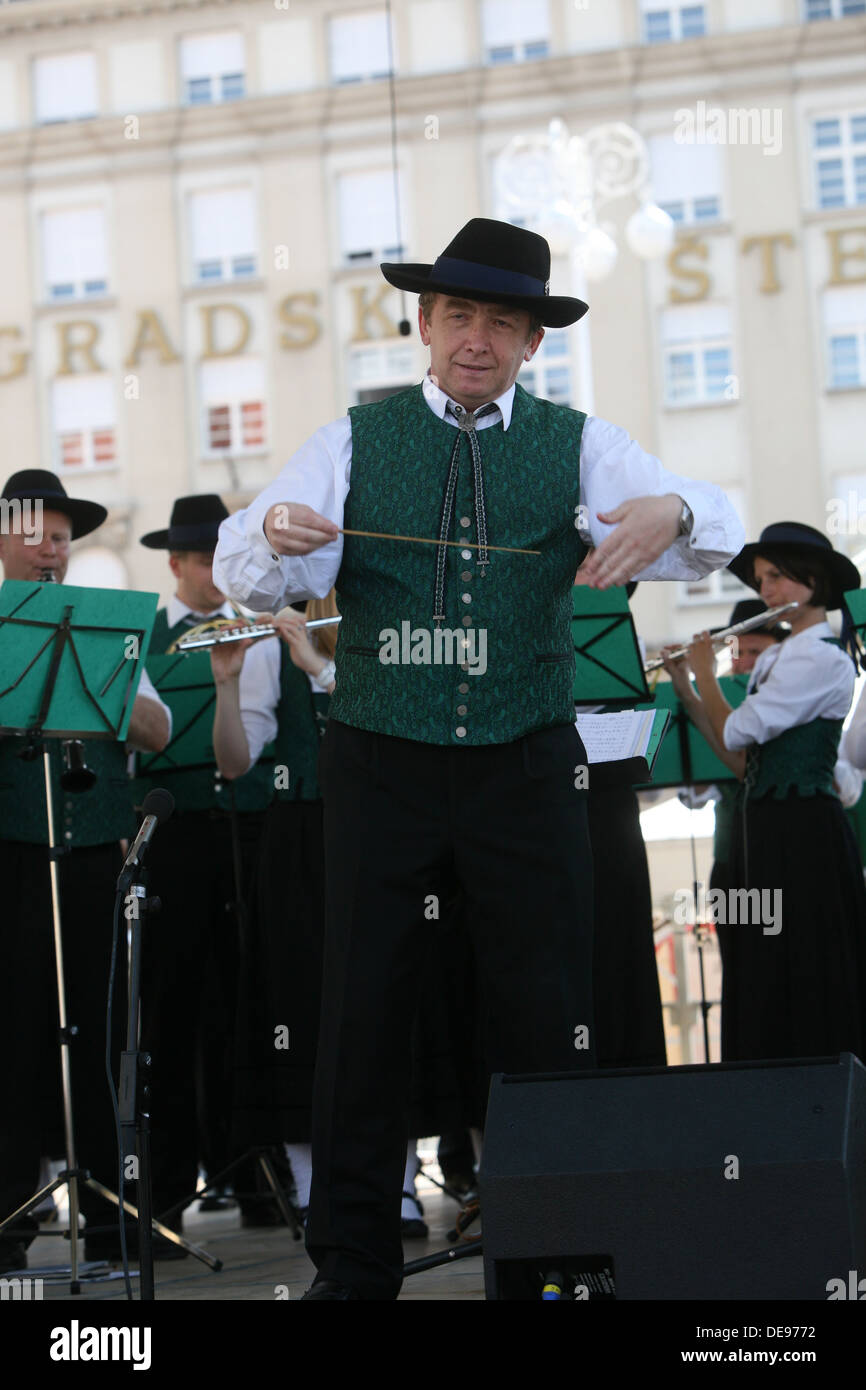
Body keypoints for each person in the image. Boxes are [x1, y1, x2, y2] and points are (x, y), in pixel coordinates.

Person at [213, 217, 745, 1299]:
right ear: (422, 324)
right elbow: (245, 572)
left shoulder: (578, 440)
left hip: (524, 757)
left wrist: (673, 507)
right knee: (360, 1009)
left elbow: (712, 525)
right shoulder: (354, 440)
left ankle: (551, 1256)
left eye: (503, 322)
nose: (477, 339)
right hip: (378, 756)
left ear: (530, 344)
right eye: (459, 315)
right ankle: (353, 1264)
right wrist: (272, 534)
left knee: (545, 1012)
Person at [0, 470, 170, 1271]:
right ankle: (8, 1222)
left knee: (103, 1039)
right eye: (36, 532)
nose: (52, 548)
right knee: (12, 1039)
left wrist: (98, 686)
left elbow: (159, 730)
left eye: (63, 536)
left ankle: (111, 1218)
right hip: (10, 861)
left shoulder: (105, 627)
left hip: (95, 857)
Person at [135, 495, 282, 1237]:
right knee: (171, 1009)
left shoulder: (258, 628)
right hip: (171, 836)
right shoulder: (145, 634)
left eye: (221, 561)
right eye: (200, 561)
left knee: (245, 1003)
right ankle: (161, 1189)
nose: (212, 575)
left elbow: (253, 741)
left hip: (244, 829)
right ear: (176, 565)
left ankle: (254, 1173)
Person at [670, 522, 866, 1064]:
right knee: (767, 970)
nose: (767, 592)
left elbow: (735, 731)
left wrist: (707, 672)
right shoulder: (785, 659)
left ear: (813, 580)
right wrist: (687, 687)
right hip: (769, 830)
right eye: (762, 580)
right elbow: (738, 762)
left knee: (805, 971)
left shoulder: (819, 657)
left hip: (805, 831)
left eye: (777, 577)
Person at [210, 594, 335, 1223]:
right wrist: (227, 685)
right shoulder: (269, 649)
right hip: (300, 841)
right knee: (298, 1006)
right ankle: (313, 1190)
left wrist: (315, 663)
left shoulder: (389, 626)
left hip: (385, 830)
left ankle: (395, 1187)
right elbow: (235, 763)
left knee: (396, 1001)